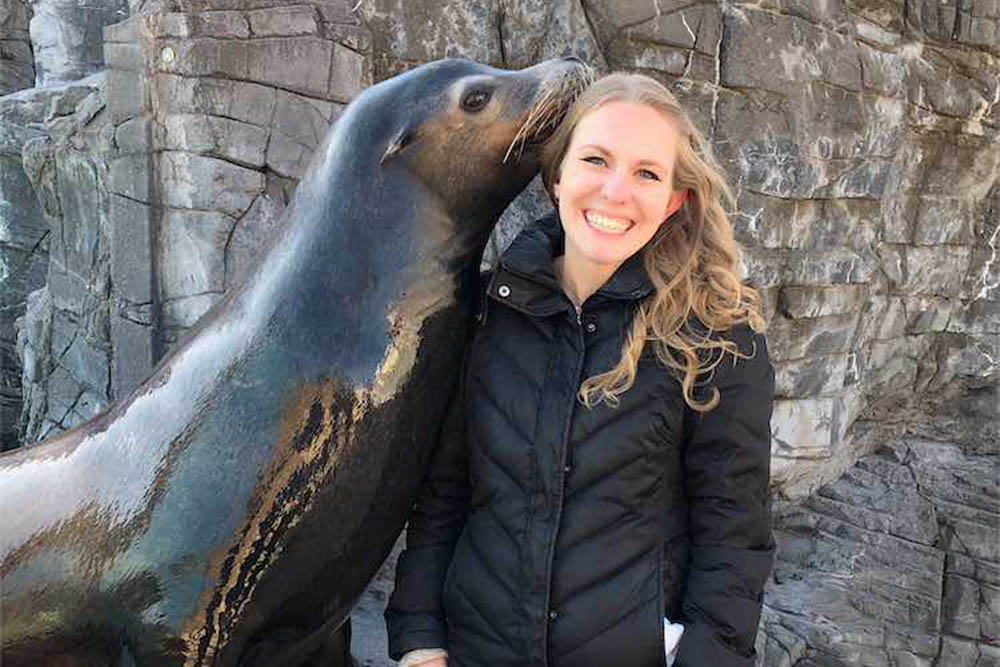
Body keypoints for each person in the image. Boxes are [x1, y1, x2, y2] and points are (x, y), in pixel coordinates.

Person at [384, 72, 775, 667]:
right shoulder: (485, 312)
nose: (616, 192)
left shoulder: (718, 337)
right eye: (596, 159)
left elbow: (734, 537)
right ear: (558, 175)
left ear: (674, 199)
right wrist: (418, 640)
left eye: (647, 173)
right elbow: (444, 499)